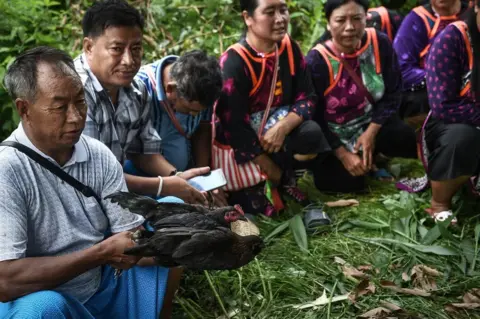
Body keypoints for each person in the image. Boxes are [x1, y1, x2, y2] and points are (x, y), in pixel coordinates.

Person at [0, 46, 168, 318]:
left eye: (80, 101)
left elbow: (131, 243)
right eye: (59, 107)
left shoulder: (98, 155)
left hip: (103, 285)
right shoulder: (7, 170)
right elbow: (5, 282)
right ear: (24, 109)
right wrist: (99, 254)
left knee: (168, 229)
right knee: (43, 309)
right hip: (47, 300)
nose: (77, 117)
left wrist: (177, 246)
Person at [75, 0, 210, 206]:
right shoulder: (76, 94)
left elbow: (144, 153)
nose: (129, 60)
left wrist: (179, 178)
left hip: (114, 193)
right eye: (117, 49)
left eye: (136, 48)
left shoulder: (135, 90)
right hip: (80, 202)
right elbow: (93, 177)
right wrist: (162, 185)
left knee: (179, 205)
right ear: (89, 47)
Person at [214, 0, 330, 216]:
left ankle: (288, 179)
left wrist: (283, 127)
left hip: (275, 134)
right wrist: (267, 165)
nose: (280, 19)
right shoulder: (233, 62)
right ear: (248, 18)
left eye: (283, 10)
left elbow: (309, 97)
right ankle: (273, 178)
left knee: (311, 133)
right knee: (258, 209)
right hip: (244, 147)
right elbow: (234, 126)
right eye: (269, 12)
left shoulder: (288, 47)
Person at [307, 0, 418, 194]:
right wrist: (342, 154)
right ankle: (361, 160)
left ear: (366, 18)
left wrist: (371, 132)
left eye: (357, 19)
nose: (349, 27)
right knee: (345, 184)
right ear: (328, 23)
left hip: (370, 121)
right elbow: (314, 117)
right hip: (335, 133)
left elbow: (393, 91)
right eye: (340, 20)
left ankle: (373, 155)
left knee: (404, 138)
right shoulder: (317, 60)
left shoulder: (379, 42)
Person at [420, 1, 480, 224]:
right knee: (464, 139)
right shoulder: (453, 39)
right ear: (475, 8)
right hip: (454, 122)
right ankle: (440, 203)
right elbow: (443, 104)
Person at [393, 0, 469, 121]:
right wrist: (440, 79)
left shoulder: (473, 13)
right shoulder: (417, 18)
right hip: (431, 89)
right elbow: (401, 68)